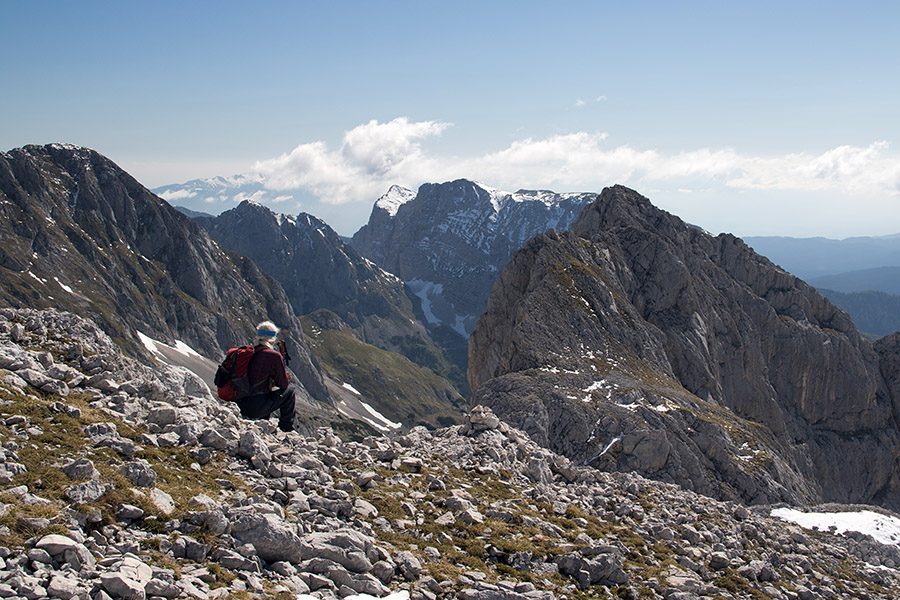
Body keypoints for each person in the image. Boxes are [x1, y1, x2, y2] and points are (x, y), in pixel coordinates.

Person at [237, 320, 297, 432]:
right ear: (272, 339)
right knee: (290, 391)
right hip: (256, 408)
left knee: (264, 390)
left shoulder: (249, 352)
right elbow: (283, 384)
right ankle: (286, 427)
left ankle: (264, 421)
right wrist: (284, 377)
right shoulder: (274, 356)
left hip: (240, 405)